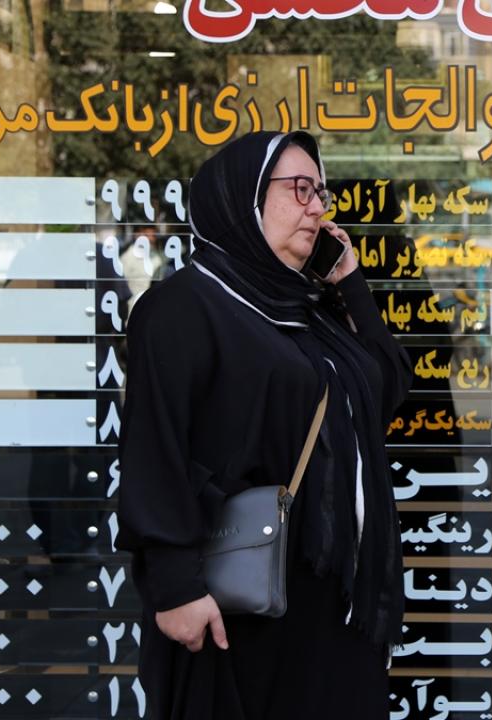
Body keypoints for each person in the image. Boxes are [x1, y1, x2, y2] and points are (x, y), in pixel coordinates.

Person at [116, 130, 411, 719]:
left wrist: (349, 281)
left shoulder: (307, 309)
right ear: (243, 198)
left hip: (330, 597)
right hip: (239, 602)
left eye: (320, 192)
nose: (317, 207)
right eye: (299, 189)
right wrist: (175, 589)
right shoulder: (185, 307)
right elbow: (155, 449)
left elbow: (385, 389)